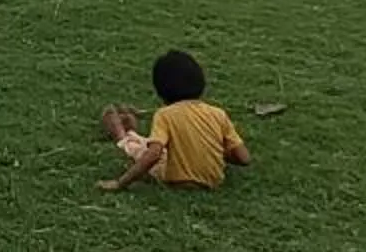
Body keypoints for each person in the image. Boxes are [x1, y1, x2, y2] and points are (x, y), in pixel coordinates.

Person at [98, 49, 252, 192]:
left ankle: (122, 135)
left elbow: (153, 155)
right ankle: (131, 131)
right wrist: (212, 152)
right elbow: (244, 158)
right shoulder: (218, 114)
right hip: (213, 181)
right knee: (170, 148)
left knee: (141, 150)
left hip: (176, 179)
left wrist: (120, 183)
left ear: (161, 90)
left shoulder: (165, 115)